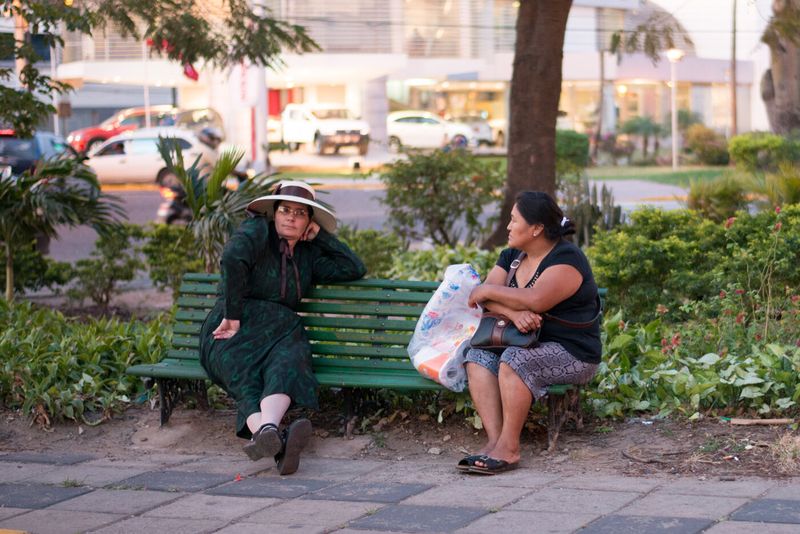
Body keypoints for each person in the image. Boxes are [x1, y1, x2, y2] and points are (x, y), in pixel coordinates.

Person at [199, 180, 366, 475]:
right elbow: (231, 258)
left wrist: (321, 237)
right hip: (234, 325)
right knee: (241, 369)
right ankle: (271, 432)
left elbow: (353, 268)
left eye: (300, 214)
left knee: (288, 363)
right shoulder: (256, 232)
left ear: (308, 223)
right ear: (274, 213)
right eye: (285, 210)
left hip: (281, 331)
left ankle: (268, 433)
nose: (291, 217)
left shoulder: (308, 255)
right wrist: (233, 314)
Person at [459, 191, 602, 475]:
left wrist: (487, 289)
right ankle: (495, 441)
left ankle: (509, 449)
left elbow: (536, 299)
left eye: (514, 220)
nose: (508, 226)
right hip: (523, 341)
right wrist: (513, 314)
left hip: (571, 351)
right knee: (477, 357)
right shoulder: (511, 256)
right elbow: (483, 301)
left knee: (515, 359)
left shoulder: (566, 258)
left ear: (536, 228)